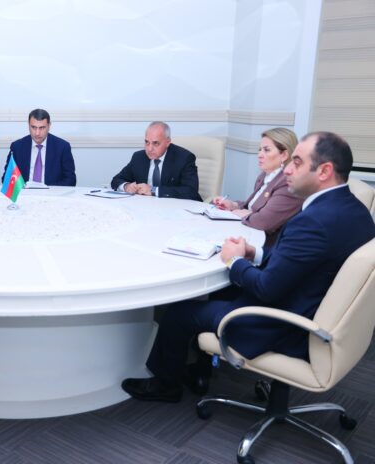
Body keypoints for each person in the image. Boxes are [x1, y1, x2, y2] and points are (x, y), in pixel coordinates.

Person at [121, 131, 375, 403]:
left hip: (284, 324)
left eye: (297, 162)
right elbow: (304, 259)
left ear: (324, 171)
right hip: (314, 307)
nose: (288, 169)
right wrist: (255, 253)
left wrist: (234, 260)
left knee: (178, 313)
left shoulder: (313, 222)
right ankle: (200, 368)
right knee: (217, 292)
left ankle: (165, 385)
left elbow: (266, 288)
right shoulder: (356, 210)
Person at [212, 128, 302, 246]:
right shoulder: (265, 175)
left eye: (266, 150)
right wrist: (233, 205)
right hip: (249, 232)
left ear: (284, 155)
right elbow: (254, 207)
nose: (259, 155)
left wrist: (246, 214)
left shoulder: (288, 183)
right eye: (260, 150)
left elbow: (264, 221)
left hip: (268, 246)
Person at [111, 121, 201, 201]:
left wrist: (153, 190)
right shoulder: (138, 157)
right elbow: (116, 180)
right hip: (145, 208)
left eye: (155, 143)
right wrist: (126, 186)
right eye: (147, 142)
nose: (149, 149)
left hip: (174, 209)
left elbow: (191, 192)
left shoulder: (184, 158)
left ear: (167, 142)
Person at [2, 108, 76, 186]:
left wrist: (48, 190)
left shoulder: (62, 147)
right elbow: (6, 179)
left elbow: (71, 180)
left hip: (52, 192)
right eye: (33, 127)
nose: (37, 133)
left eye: (42, 128)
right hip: (25, 192)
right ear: (28, 125)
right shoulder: (17, 147)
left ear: (49, 126)